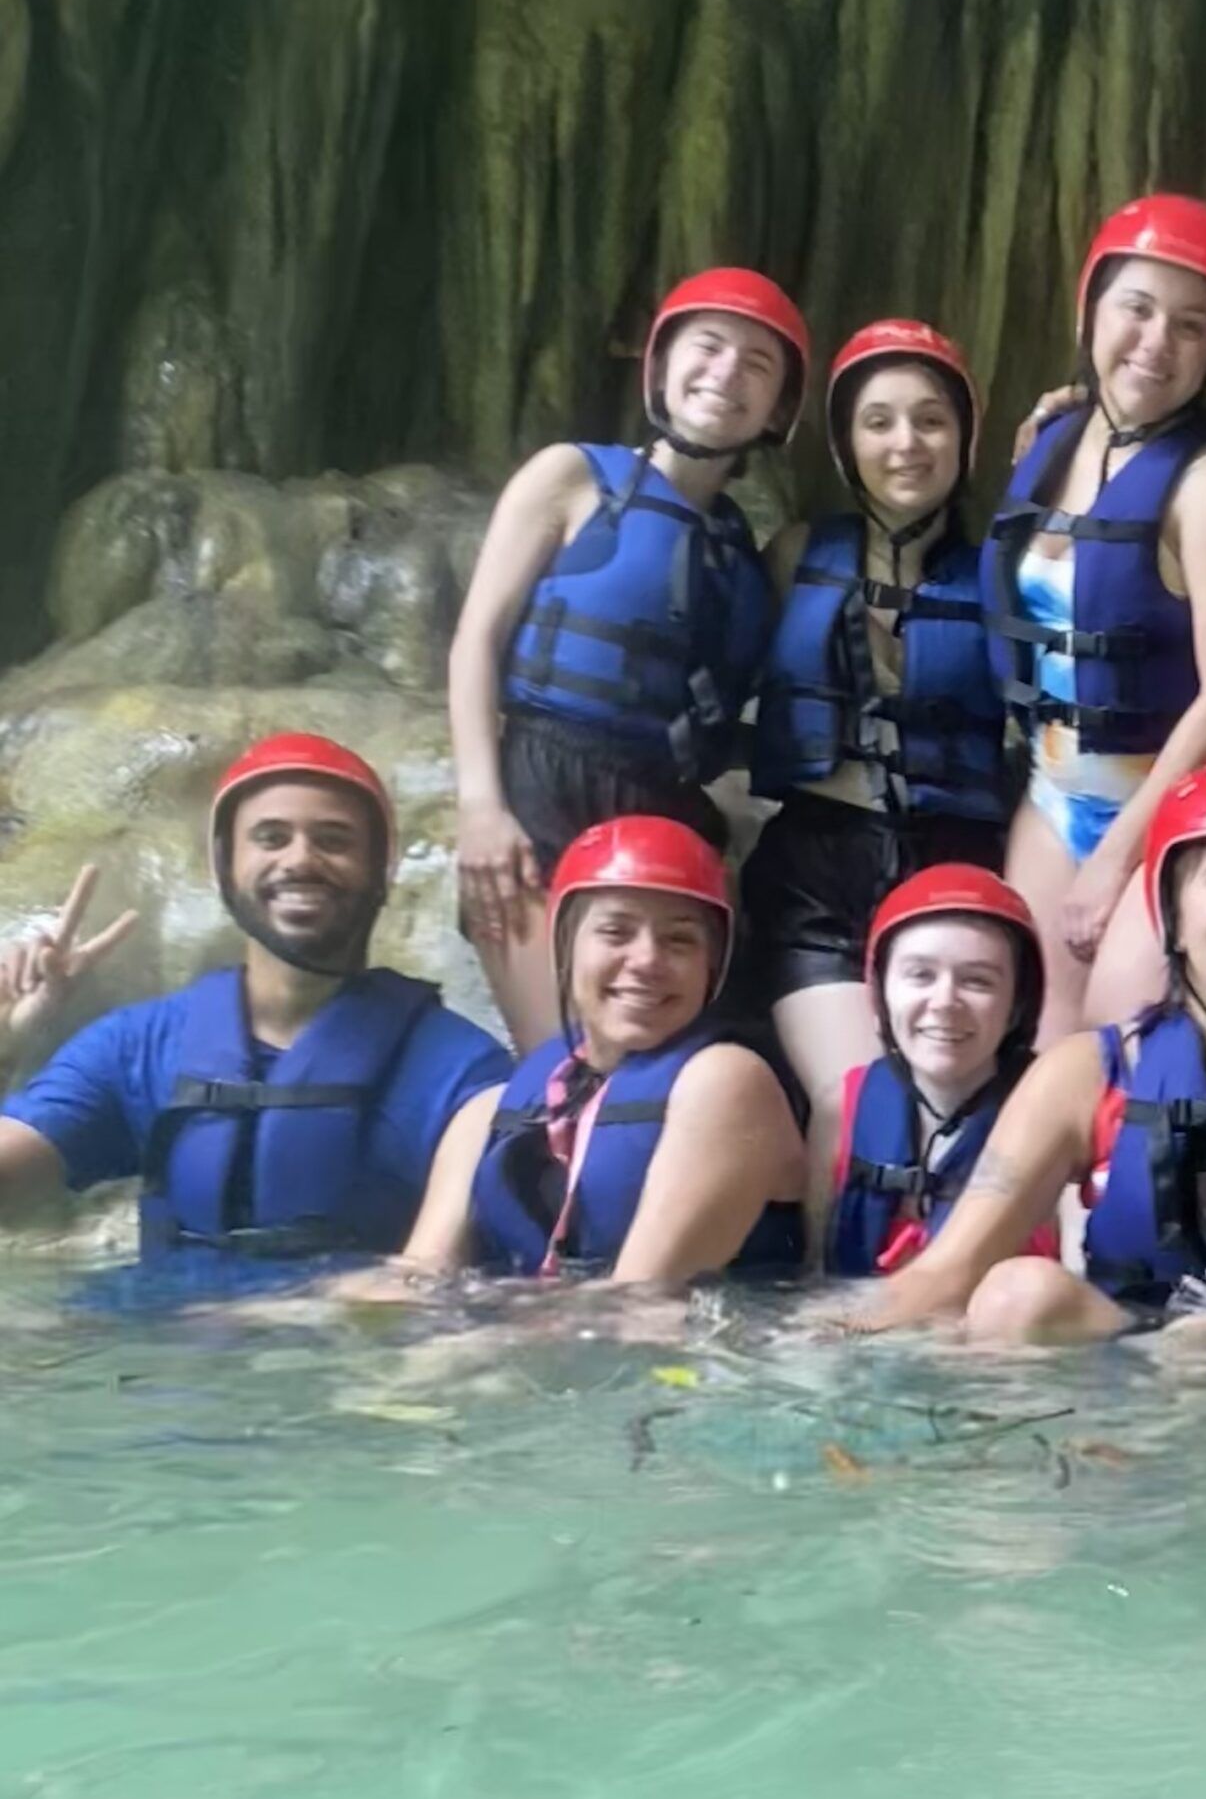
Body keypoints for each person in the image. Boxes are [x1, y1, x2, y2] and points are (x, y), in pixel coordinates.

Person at [821, 757, 1206, 1343]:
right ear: (1172, 908)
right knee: (1017, 1295)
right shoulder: (1085, 1074)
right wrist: (812, 1341)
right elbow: (947, 1271)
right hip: (1132, 1375)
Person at [449, 268, 808, 1047]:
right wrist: (481, 805)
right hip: (545, 781)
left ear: (778, 407)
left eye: (757, 365)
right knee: (567, 1061)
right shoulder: (573, 477)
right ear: (660, 365)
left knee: (671, 1071)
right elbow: (476, 638)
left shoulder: (746, 557)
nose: (725, 374)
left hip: (668, 807)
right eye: (708, 348)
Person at [0, 735, 510, 1262]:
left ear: (383, 867)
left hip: (349, 1336)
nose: (300, 860)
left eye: (334, 840)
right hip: (169, 1332)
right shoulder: (136, 1048)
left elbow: (427, 1285)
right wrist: (5, 1043)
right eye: (270, 838)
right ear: (224, 864)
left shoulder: (464, 1075)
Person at [983, 196, 1206, 1042]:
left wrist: (1121, 855)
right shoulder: (1053, 438)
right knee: (1037, 1058)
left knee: (1117, 1058)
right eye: (1137, 309)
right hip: (1050, 797)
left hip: (1166, 818)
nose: (1156, 343)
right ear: (1092, 311)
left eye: (1191, 327)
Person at [744, 319, 1011, 1152]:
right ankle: (830, 1283)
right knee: (853, 1097)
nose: (906, 444)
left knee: (945, 1103)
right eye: (879, 421)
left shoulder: (1003, 575)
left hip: (954, 861)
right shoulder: (793, 557)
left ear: (965, 441)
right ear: (845, 442)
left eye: (931, 420)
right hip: (817, 868)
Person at [385, 816, 801, 1284]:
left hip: (696, 1351)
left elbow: (639, 1300)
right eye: (616, 932)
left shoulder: (728, 1084)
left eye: (680, 940)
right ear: (565, 947)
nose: (646, 960)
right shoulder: (488, 1111)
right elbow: (416, 1282)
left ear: (713, 966)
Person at [816, 863, 1050, 1277]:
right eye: (920, 975)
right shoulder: (841, 1108)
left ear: (1017, 1006)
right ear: (882, 994)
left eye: (978, 981)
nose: (945, 1001)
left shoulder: (1059, 1112)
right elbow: (812, 1274)